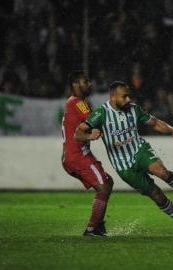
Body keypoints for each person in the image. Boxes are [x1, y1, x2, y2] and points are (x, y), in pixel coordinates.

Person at [74, 81, 173, 235]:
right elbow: (77, 133)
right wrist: (89, 136)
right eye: (124, 96)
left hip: (139, 150)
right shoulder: (101, 113)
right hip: (123, 167)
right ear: (113, 97)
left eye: (129, 96)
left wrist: (172, 130)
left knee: (162, 172)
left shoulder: (134, 109)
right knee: (157, 196)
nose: (128, 99)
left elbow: (154, 123)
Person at [61, 70, 113, 237]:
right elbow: (94, 120)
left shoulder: (75, 103)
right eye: (86, 81)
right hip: (77, 156)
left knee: (107, 183)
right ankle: (92, 229)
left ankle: (97, 225)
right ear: (76, 84)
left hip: (75, 155)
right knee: (104, 186)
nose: (89, 84)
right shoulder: (78, 103)